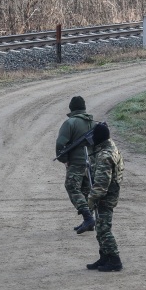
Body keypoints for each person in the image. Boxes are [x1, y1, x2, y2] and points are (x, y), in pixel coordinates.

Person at [85, 123, 124, 272]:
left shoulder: (104, 156)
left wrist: (90, 201)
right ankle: (104, 257)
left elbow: (101, 184)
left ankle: (115, 260)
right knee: (101, 227)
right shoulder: (110, 147)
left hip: (105, 198)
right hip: (109, 195)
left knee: (103, 229)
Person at [56, 96, 96, 234]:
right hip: (91, 162)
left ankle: (88, 218)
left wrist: (64, 159)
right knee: (86, 190)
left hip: (76, 162)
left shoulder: (70, 123)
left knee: (72, 187)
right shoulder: (93, 123)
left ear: (71, 108)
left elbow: (61, 144)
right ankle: (89, 221)